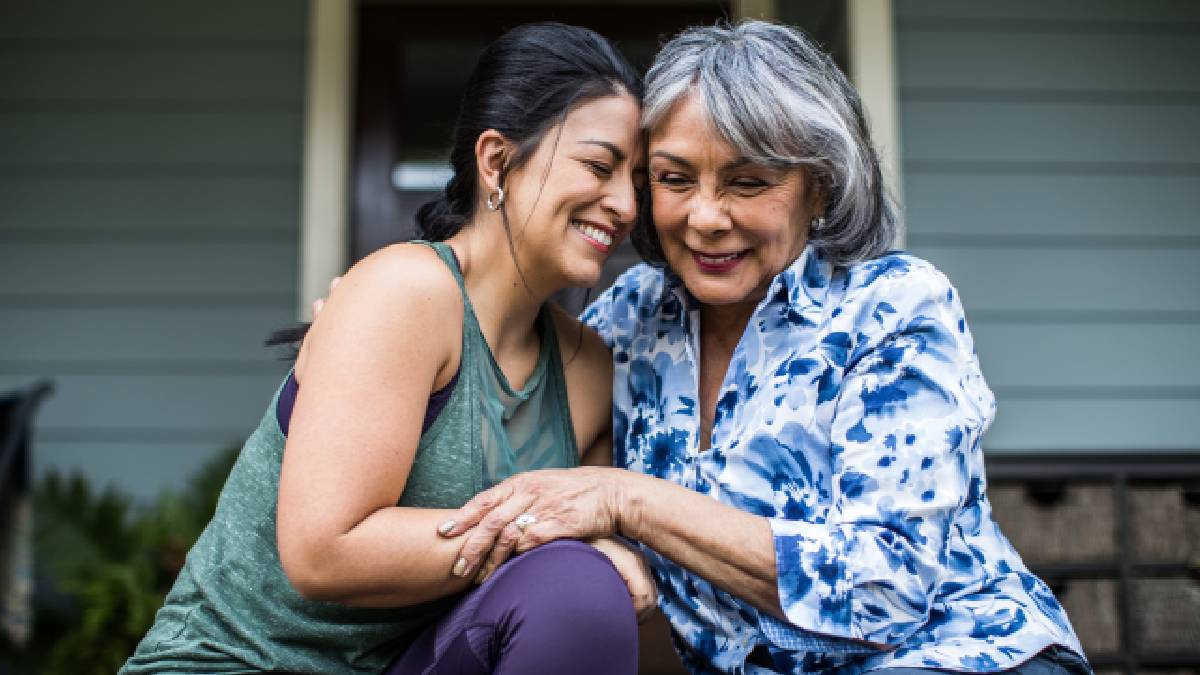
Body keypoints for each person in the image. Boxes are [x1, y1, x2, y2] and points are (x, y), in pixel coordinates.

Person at [436, 21, 1093, 675]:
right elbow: (501, 430)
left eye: (748, 183)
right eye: (674, 178)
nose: (706, 217)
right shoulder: (629, 318)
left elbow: (882, 589)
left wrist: (626, 500)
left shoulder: (892, 307)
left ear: (820, 188)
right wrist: (391, 323)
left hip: (966, 658)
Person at [119, 23, 654, 675]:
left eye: (640, 177)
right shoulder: (407, 292)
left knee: (578, 591)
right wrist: (549, 538)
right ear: (496, 161)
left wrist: (596, 546)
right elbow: (323, 552)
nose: (627, 203)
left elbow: (580, 581)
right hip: (238, 663)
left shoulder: (589, 369)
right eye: (600, 166)